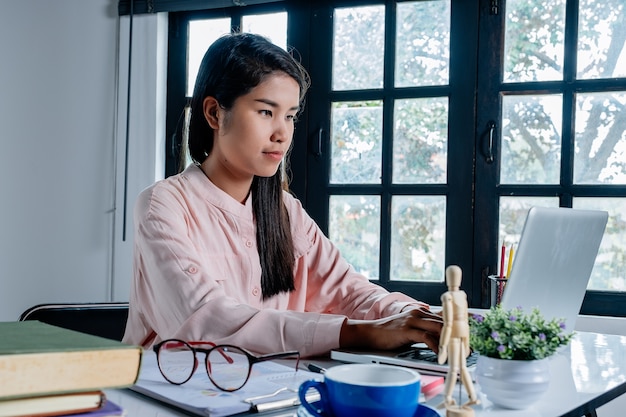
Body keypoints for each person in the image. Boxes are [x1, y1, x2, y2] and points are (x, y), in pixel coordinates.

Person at [122, 32, 442, 358]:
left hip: (267, 392)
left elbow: (348, 293)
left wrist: (418, 316)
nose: (282, 133)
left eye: (290, 115)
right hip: (163, 395)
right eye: (265, 112)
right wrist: (357, 333)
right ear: (214, 113)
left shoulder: (286, 211)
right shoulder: (164, 205)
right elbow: (208, 319)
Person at [438, 265, 479, 410]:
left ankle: (447, 398)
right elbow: (466, 320)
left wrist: (442, 346)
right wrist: (467, 342)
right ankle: (472, 397)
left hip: (454, 334)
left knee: (453, 369)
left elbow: (448, 323)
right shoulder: (462, 295)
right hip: (464, 331)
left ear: (447, 278)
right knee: (463, 368)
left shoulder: (447, 297)